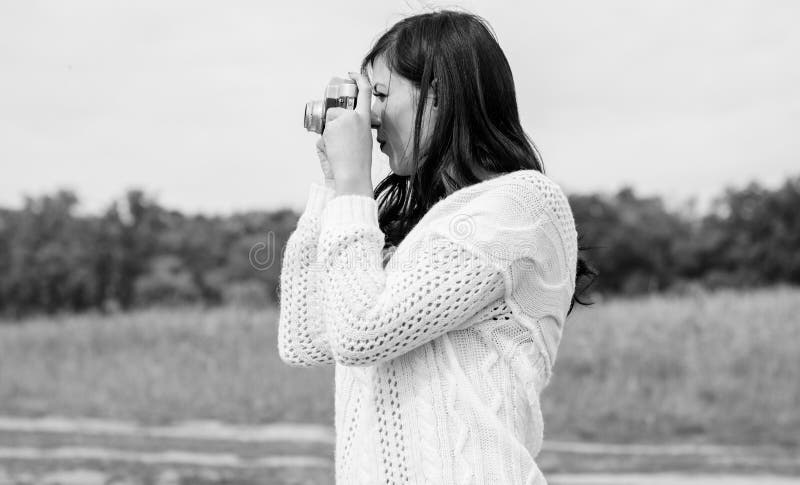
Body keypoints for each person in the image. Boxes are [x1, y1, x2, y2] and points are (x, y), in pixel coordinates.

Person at [278, 9, 596, 484]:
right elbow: (307, 338)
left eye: (380, 95)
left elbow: (360, 332)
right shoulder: (416, 226)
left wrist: (352, 182)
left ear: (439, 96)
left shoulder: (520, 204)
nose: (371, 117)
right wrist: (333, 183)